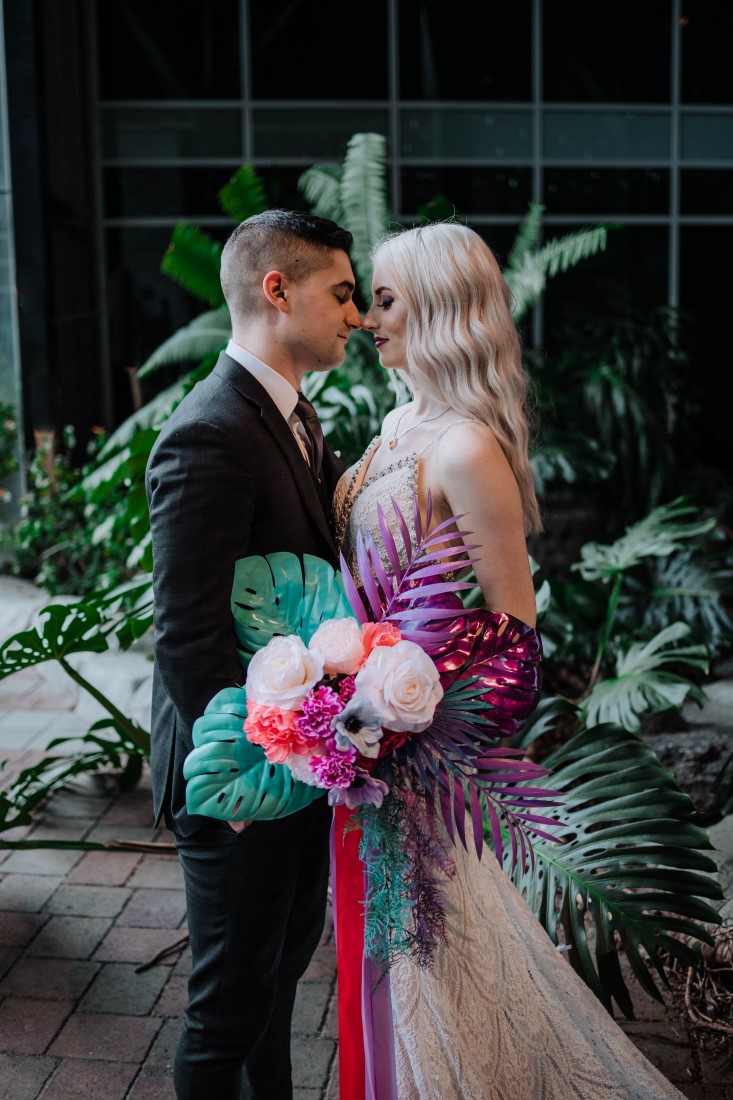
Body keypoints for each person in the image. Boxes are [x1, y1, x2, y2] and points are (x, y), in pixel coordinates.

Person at [331, 222, 684, 1099]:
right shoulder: (396, 422)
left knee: (434, 959)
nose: (368, 318)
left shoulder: (464, 445)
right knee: (385, 957)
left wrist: (406, 724)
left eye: (384, 298)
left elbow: (513, 637)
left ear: (442, 307)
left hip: (415, 761)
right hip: (354, 744)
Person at [145, 209, 361, 1099]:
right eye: (342, 293)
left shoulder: (292, 418)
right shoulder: (209, 433)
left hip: (294, 766)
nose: (355, 315)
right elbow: (187, 632)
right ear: (278, 290)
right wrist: (239, 774)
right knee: (227, 1005)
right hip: (235, 771)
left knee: (275, 986)